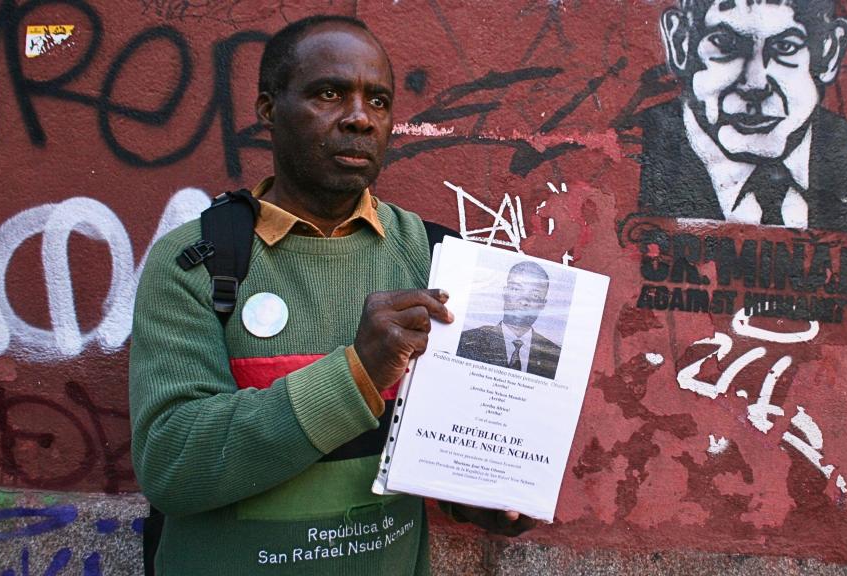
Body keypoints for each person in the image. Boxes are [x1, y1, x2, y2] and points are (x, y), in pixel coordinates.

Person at [129, 15, 532, 576]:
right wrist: (358, 373)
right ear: (269, 109)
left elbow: (450, 445)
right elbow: (173, 465)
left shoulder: (438, 259)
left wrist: (482, 493)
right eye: (329, 94)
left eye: (379, 101)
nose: (360, 119)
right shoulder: (197, 260)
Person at [638, 0, 847, 232]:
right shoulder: (634, 148)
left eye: (785, 47)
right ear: (680, 43)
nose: (755, 84)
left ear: (830, 51)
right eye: (725, 44)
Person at [457, 261, 562, 379]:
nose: (524, 301)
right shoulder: (466, 342)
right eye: (516, 290)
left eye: (535, 296)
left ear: (543, 304)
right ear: (505, 292)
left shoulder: (555, 356)